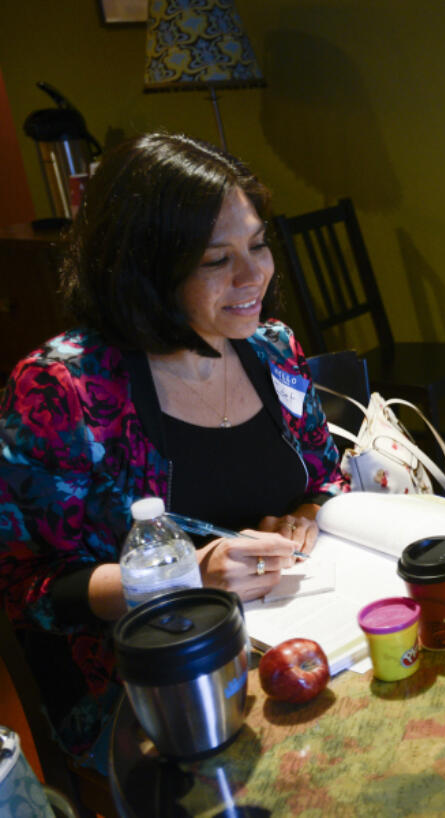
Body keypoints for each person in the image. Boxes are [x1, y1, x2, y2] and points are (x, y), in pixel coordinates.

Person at [0, 132, 344, 769]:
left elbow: (327, 475)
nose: (254, 275)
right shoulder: (63, 391)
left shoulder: (271, 349)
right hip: (150, 697)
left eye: (259, 244)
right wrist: (182, 581)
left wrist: (309, 511)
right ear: (146, 266)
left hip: (300, 643)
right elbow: (25, 589)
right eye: (217, 259)